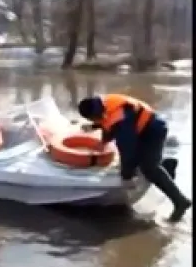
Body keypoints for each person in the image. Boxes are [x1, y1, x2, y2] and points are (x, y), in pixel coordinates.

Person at [78, 93, 191, 222]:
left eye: (94, 119)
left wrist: (126, 175)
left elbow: (128, 149)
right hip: (142, 127)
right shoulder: (103, 104)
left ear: (97, 113)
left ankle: (181, 202)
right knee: (145, 164)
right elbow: (109, 123)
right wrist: (99, 135)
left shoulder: (120, 118)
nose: (95, 121)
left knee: (149, 168)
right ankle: (166, 165)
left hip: (153, 130)